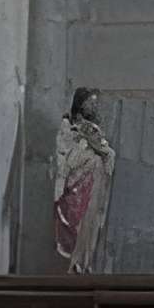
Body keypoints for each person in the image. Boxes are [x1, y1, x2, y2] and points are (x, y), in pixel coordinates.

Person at [52, 88, 115, 274]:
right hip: (76, 185)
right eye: (90, 103)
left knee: (90, 224)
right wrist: (87, 146)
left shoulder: (93, 129)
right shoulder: (68, 127)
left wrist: (100, 151)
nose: (93, 107)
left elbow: (106, 153)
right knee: (76, 224)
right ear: (80, 104)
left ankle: (84, 262)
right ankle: (75, 263)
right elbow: (66, 157)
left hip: (93, 185)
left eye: (95, 103)